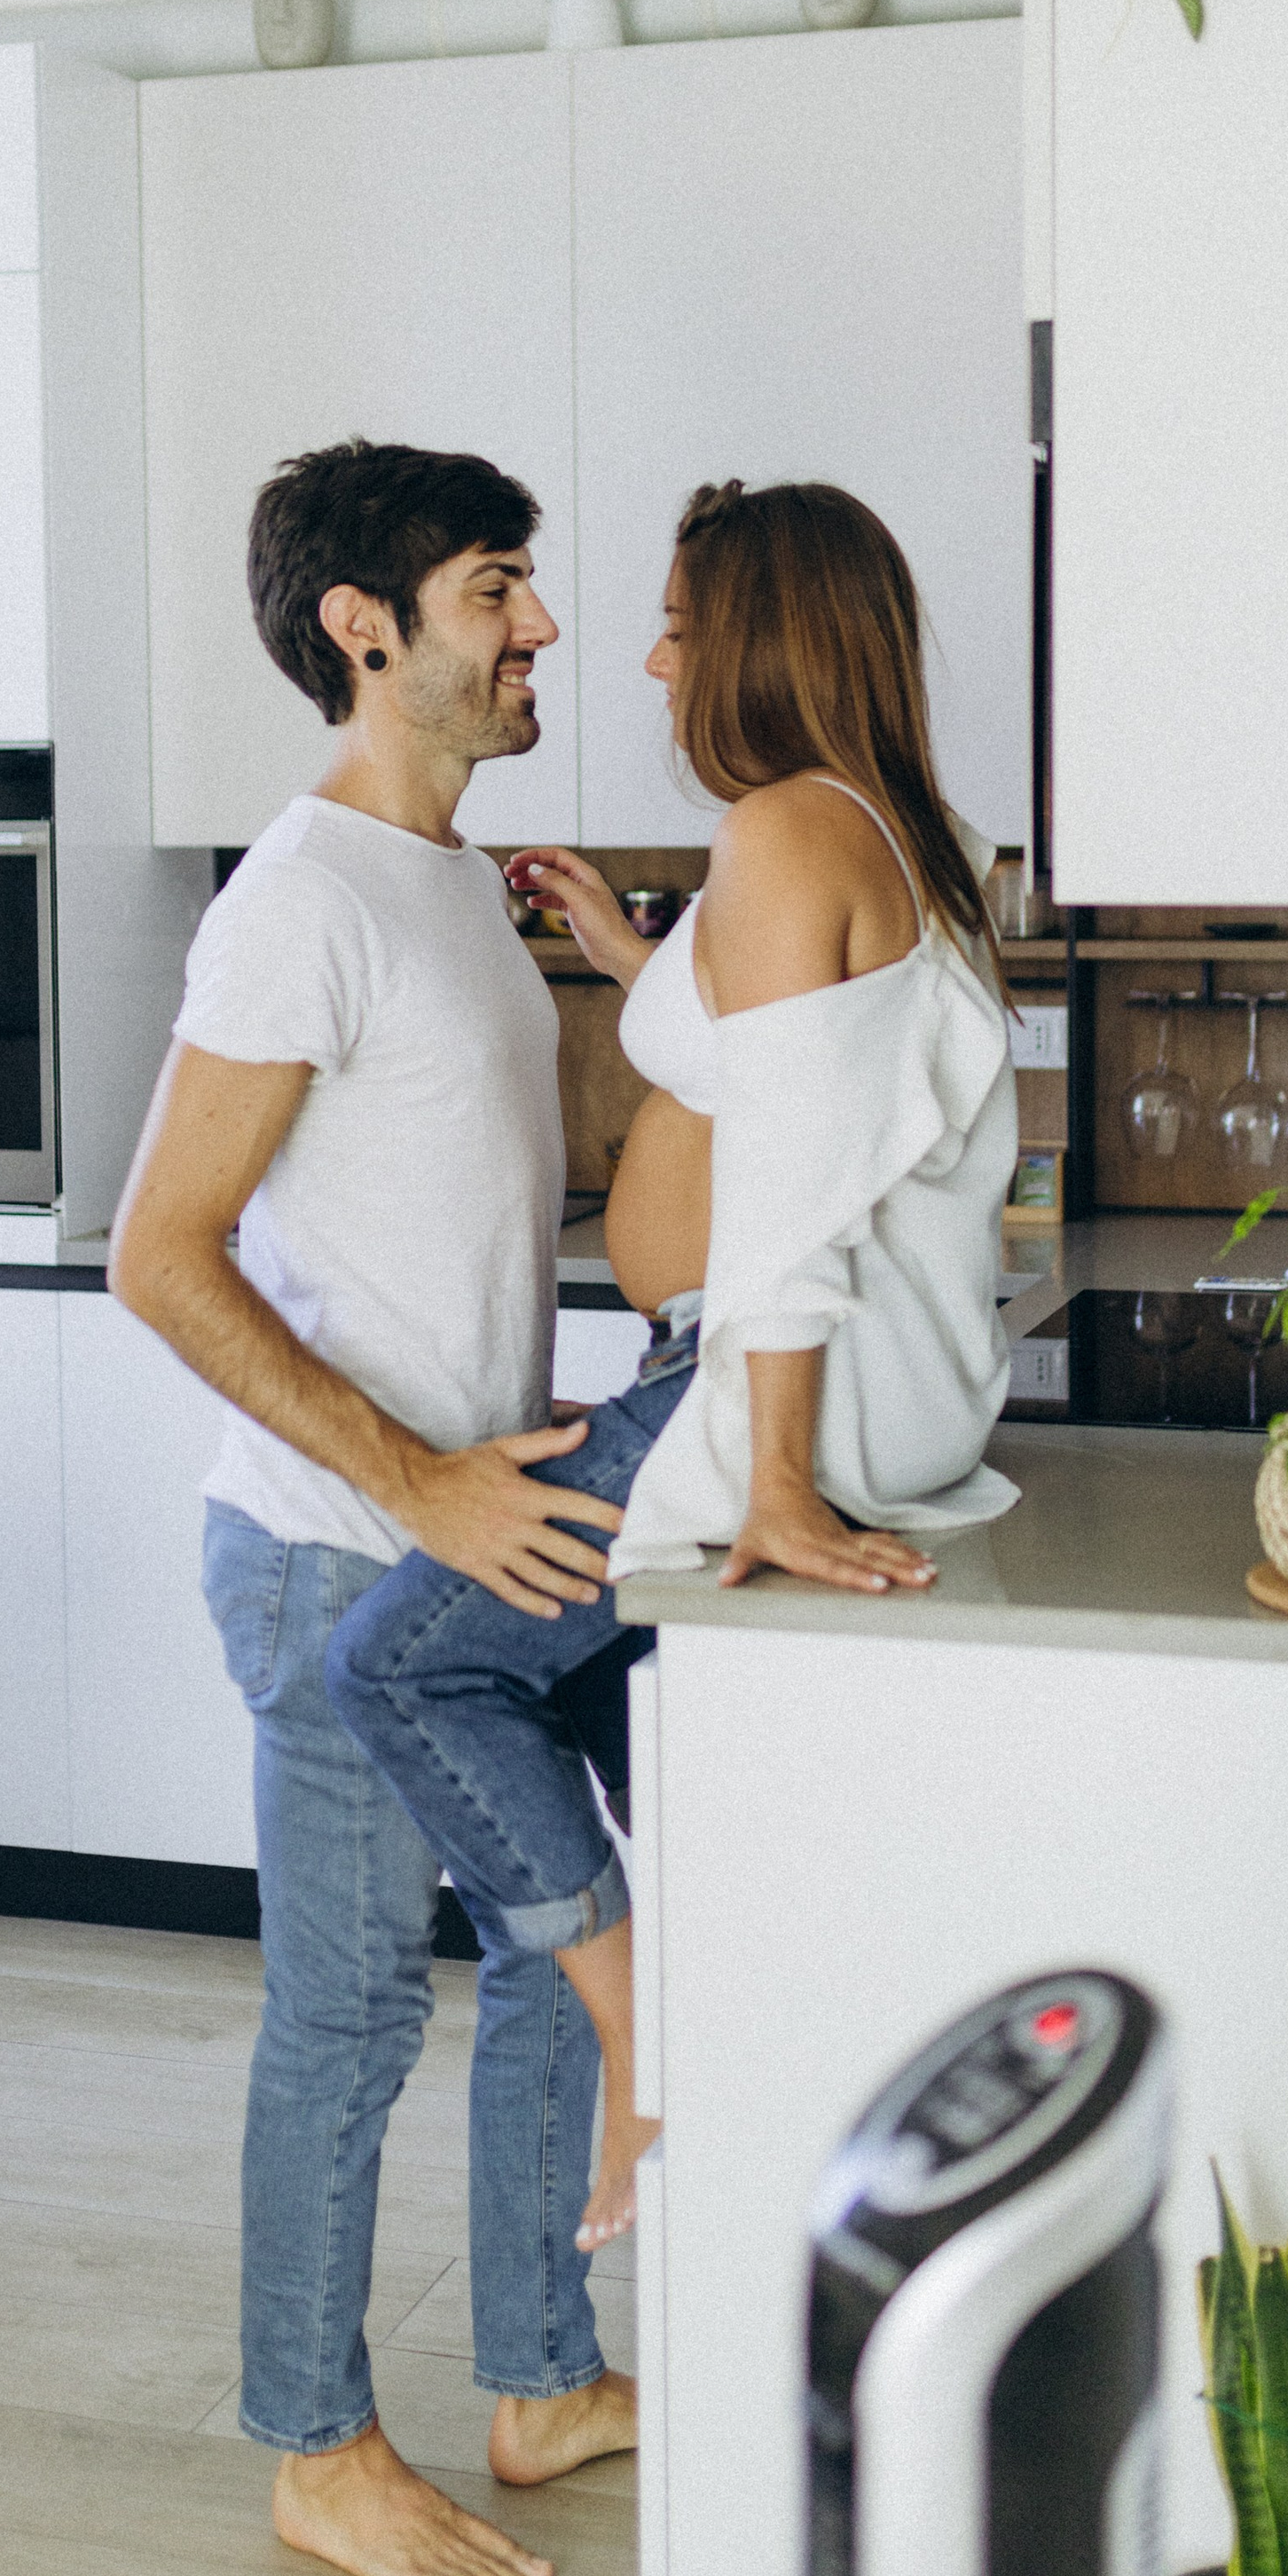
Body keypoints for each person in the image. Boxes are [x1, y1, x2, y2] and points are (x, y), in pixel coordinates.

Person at [325, 478, 1020, 2252]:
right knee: (588, 1697)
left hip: (762, 1379)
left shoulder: (789, 831)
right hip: (800, 1377)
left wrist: (763, 1474)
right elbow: (797, 1077)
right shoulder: (886, 829)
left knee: (402, 1659)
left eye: (679, 624)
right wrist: (644, 966)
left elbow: (785, 1197)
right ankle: (718, 2001)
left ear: (761, 641)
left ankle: (647, 2053)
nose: (644, 656)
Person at [107, 438, 638, 2576]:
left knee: (539, 1960)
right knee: (347, 2015)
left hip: (471, 1543)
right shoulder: (302, 898)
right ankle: (316, 2451)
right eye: (496, 588)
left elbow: (425, 1225)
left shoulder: (452, 883)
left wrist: (507, 1423)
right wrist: (412, 1471)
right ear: (365, 626)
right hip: (337, 1556)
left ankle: (533, 2374)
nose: (537, 630)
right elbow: (164, 1252)